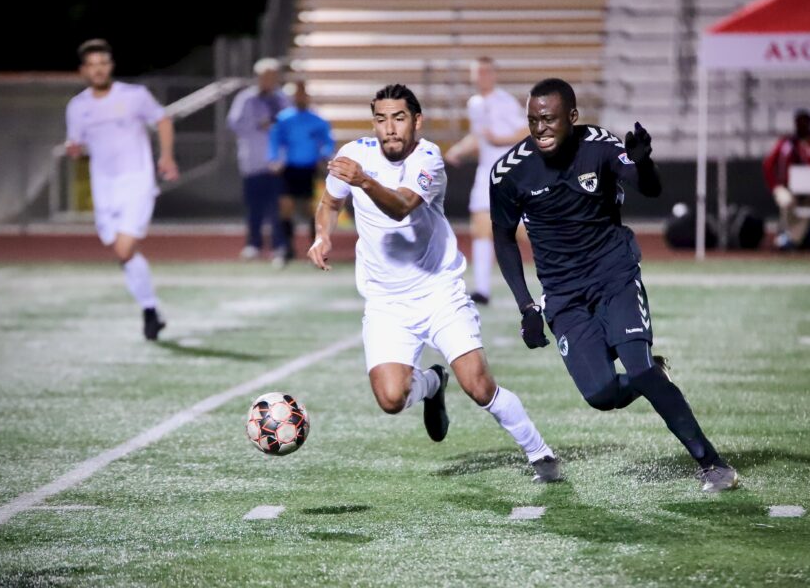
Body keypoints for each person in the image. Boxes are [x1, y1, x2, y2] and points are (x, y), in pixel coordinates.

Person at [489, 78, 737, 492]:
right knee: (601, 394)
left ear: (572, 117)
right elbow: (502, 237)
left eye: (549, 119)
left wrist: (643, 162)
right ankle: (654, 376)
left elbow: (650, 188)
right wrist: (526, 306)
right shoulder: (510, 172)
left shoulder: (599, 146)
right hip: (563, 295)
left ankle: (712, 463)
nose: (540, 129)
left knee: (636, 365)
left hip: (613, 276)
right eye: (533, 120)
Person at [308, 84, 560, 482]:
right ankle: (431, 382)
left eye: (399, 118)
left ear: (416, 121)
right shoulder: (354, 155)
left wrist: (364, 182)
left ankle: (540, 453)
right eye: (381, 119)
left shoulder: (428, 157)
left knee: (478, 387)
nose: (389, 128)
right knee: (391, 399)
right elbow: (330, 203)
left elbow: (402, 207)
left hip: (438, 292)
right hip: (386, 302)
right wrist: (322, 235)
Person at [65, 39, 178, 341]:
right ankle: (151, 311)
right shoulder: (77, 107)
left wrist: (166, 156)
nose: (98, 69)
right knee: (123, 253)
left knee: (125, 248)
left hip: (136, 181)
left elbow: (162, 119)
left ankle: (150, 312)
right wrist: (73, 148)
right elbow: (77, 144)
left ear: (111, 66)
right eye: (92, 65)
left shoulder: (134, 95)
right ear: (84, 70)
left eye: (103, 63)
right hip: (104, 186)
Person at [444, 57, 528, 304]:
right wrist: (458, 150)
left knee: (526, 230)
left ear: (493, 75)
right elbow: (479, 135)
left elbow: (525, 130)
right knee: (481, 226)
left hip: (509, 173)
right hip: (486, 173)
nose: (480, 77)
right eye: (476, 73)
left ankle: (568, 269)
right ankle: (482, 290)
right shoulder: (475, 103)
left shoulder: (504, 101)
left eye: (485, 72)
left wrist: (500, 141)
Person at [227, 58, 292, 260]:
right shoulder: (245, 98)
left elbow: (291, 128)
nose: (268, 80)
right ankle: (253, 244)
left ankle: (279, 245)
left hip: (277, 164)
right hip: (252, 162)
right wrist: (258, 124)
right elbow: (234, 125)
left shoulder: (284, 99)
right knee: (254, 207)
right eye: (264, 76)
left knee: (277, 207)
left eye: (272, 76)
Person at [269, 81, 335, 268]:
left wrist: (325, 155)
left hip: (309, 169)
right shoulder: (284, 119)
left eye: (303, 94)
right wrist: (274, 159)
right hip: (289, 169)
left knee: (310, 210)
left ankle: (315, 249)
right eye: (297, 94)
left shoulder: (317, 120)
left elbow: (327, 141)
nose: (300, 97)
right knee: (286, 207)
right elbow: (275, 141)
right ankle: (286, 249)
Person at [762, 108, 810, 250]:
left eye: (805, 122)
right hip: (790, 189)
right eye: (799, 122)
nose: (802, 126)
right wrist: (775, 186)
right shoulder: (786, 143)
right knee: (786, 201)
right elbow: (768, 165)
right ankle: (790, 237)